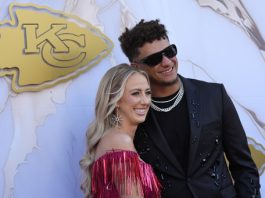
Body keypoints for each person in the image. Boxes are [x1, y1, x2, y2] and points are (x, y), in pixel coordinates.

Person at [119, 19, 261, 198]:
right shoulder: (132, 112)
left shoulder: (214, 95)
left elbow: (244, 166)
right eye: (155, 59)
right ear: (136, 66)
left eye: (169, 52)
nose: (166, 62)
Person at [80, 63, 161, 198]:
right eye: (136, 93)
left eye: (147, 93)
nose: (145, 101)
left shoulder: (114, 138)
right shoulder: (119, 141)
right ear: (115, 99)